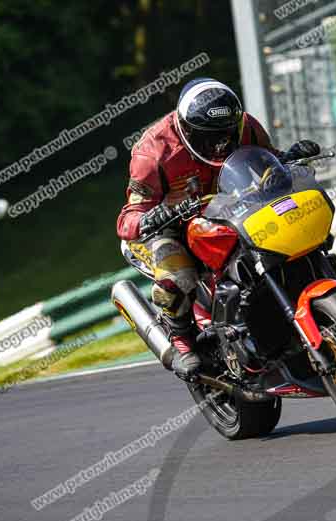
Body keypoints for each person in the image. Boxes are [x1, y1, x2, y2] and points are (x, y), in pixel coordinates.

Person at [116, 78, 320, 381]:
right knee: (178, 273)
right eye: (209, 137)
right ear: (186, 130)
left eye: (226, 134)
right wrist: (150, 218)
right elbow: (128, 217)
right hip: (168, 227)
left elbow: (267, 160)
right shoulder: (153, 151)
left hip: (227, 211)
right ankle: (182, 343)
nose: (220, 144)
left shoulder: (246, 126)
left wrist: (288, 158)